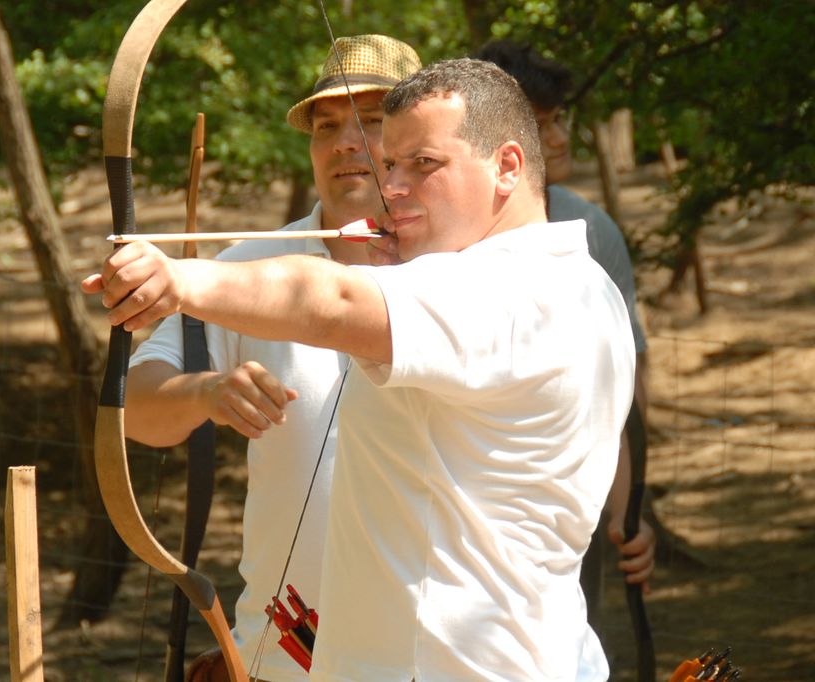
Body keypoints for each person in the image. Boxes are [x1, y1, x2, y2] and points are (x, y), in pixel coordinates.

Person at [85, 57, 635, 681]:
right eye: (392, 164)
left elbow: (334, 299)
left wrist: (182, 279)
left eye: (423, 164)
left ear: (507, 166)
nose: (393, 184)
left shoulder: (506, 290)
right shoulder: (579, 283)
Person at [121, 34, 421, 681]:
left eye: (370, 120)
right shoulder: (252, 267)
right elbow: (134, 404)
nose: (344, 143)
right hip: (286, 654)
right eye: (327, 126)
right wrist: (205, 392)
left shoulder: (464, 273)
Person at [475, 39, 656, 633]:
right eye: (540, 124)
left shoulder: (593, 232)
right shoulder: (446, 236)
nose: (558, 139)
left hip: (570, 514)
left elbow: (620, 396)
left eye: (559, 120)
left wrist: (628, 513)